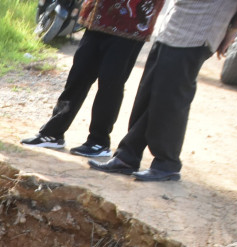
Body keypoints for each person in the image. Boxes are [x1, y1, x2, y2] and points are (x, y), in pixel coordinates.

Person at [90, 0, 237, 181]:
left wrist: (232, 31)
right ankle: (127, 156)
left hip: (200, 31)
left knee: (170, 99)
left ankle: (167, 163)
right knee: (149, 93)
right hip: (173, 27)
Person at [20, 0, 164, 158]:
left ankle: (99, 141)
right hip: (97, 17)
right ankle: (53, 133)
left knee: (110, 83)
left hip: (130, 24)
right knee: (78, 75)